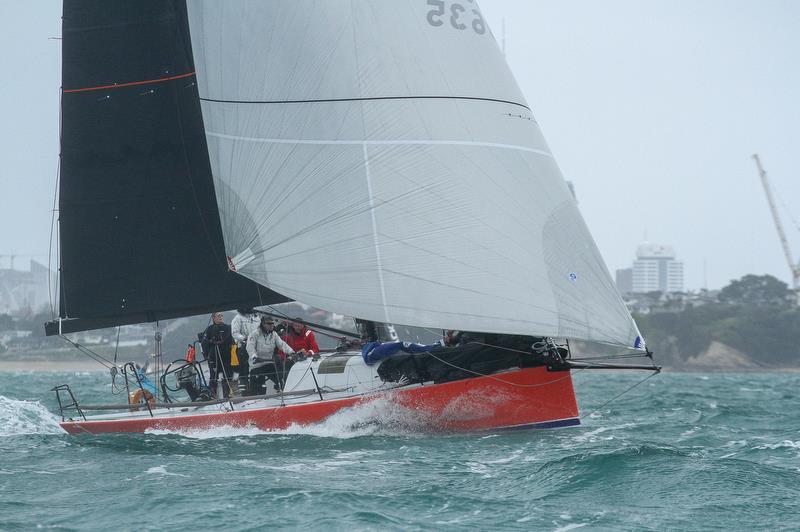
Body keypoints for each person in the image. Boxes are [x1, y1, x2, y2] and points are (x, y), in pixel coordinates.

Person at [246, 316, 296, 394]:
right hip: (256, 365)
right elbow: (250, 347)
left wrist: (291, 352)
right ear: (263, 324)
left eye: (272, 323)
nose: (271, 325)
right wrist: (254, 357)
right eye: (269, 323)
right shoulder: (254, 334)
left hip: (269, 363)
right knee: (259, 388)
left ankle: (282, 392)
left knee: (282, 379)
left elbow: (282, 344)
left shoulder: (274, 334)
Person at [201, 312, 235, 398]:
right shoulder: (209, 329)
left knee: (228, 374)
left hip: (226, 355)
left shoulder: (227, 328)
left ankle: (228, 393)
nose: (220, 317)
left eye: (221, 315)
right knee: (213, 375)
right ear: (213, 318)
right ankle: (213, 394)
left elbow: (232, 341)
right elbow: (204, 343)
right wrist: (206, 355)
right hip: (214, 356)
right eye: (218, 316)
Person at [231, 308, 260, 392]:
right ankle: (245, 391)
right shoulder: (237, 318)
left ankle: (256, 389)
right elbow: (234, 333)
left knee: (257, 369)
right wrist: (244, 338)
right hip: (243, 347)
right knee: (244, 370)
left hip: (256, 347)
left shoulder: (257, 318)